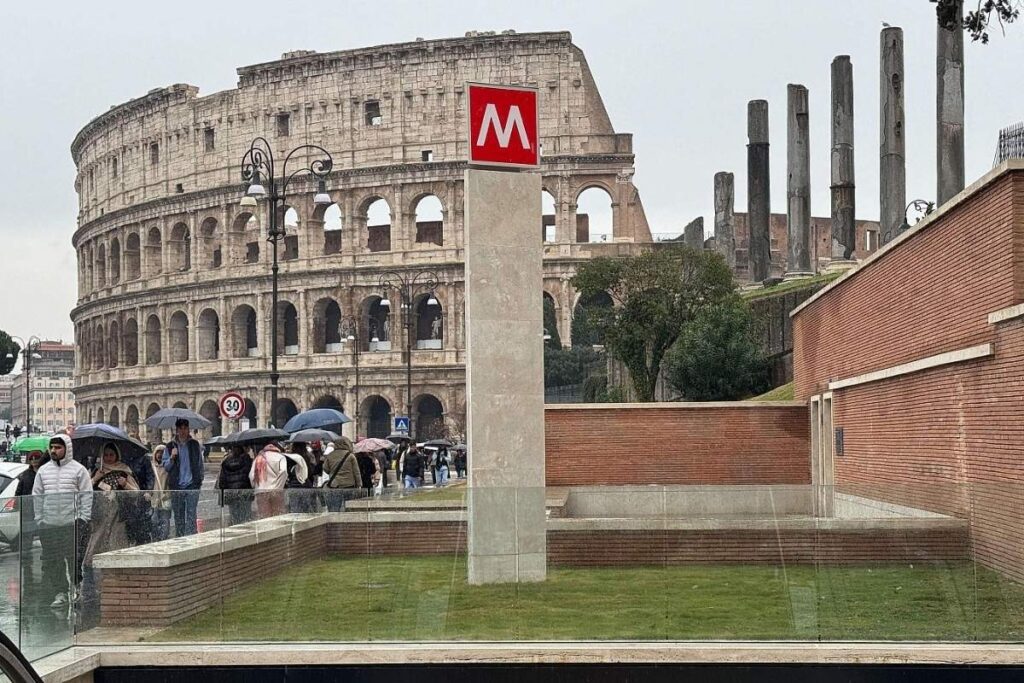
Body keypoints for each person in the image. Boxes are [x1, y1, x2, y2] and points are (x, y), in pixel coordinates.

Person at [32, 434, 92, 608]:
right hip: (49, 524)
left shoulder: (79, 470)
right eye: (52, 447)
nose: (54, 451)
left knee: (74, 559)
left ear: (66, 448)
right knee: (53, 561)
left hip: (71, 523)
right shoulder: (43, 471)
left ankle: (76, 589)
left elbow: (86, 495)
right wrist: (39, 520)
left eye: (58, 447)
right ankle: (60, 592)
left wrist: (83, 518)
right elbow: (37, 495)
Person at [85, 443, 141, 561]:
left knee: (117, 543)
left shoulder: (124, 471)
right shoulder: (97, 470)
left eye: (111, 455)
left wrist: (125, 484)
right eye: (106, 455)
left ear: (117, 455)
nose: (108, 457)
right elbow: (85, 490)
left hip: (119, 515)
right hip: (100, 514)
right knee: (97, 542)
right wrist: (95, 478)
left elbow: (136, 492)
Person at [162, 419, 204, 537]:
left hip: (192, 486)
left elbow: (200, 464)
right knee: (178, 516)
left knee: (191, 515)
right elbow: (166, 467)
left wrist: (199, 481)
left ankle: (191, 539)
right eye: (180, 428)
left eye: (185, 428)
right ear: (177, 430)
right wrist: (172, 457)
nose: (183, 430)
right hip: (176, 486)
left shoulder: (195, 445)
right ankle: (180, 538)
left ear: (188, 429)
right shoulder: (170, 446)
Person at [15, 450, 49, 548]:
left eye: (36, 458)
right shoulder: (25, 474)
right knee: (27, 537)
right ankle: (27, 560)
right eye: (31, 459)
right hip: (28, 509)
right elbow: (19, 492)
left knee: (45, 535)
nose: (34, 461)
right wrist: (19, 504)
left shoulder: (44, 473)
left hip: (43, 509)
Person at [321, 436, 362, 511]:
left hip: (335, 485)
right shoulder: (350, 456)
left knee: (335, 507)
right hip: (349, 485)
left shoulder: (330, 455)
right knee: (349, 507)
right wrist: (359, 485)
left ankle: (335, 520)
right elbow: (356, 472)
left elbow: (325, 469)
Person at [216, 444, 254, 525]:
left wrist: (223, 493)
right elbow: (251, 476)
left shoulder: (226, 462)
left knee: (234, 517)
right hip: (245, 493)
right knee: (246, 518)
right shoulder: (247, 459)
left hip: (231, 494)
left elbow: (222, 481)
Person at [249, 441, 288, 517]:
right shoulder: (280, 457)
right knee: (278, 516)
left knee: (264, 517)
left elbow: (251, 475)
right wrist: (278, 486)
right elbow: (284, 472)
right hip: (276, 490)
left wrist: (256, 486)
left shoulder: (258, 458)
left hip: (261, 491)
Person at [149, 445, 172, 541]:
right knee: (154, 521)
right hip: (154, 499)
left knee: (165, 521)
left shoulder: (168, 468)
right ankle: (155, 539)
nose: (160, 455)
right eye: (158, 452)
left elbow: (171, 483)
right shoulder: (151, 466)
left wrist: (168, 494)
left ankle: (164, 539)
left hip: (164, 499)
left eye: (162, 453)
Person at [284, 443, 312, 513]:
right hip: (305, 486)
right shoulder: (307, 458)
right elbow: (310, 473)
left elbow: (287, 472)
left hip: (293, 486)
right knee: (306, 510)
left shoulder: (290, 458)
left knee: (295, 510)